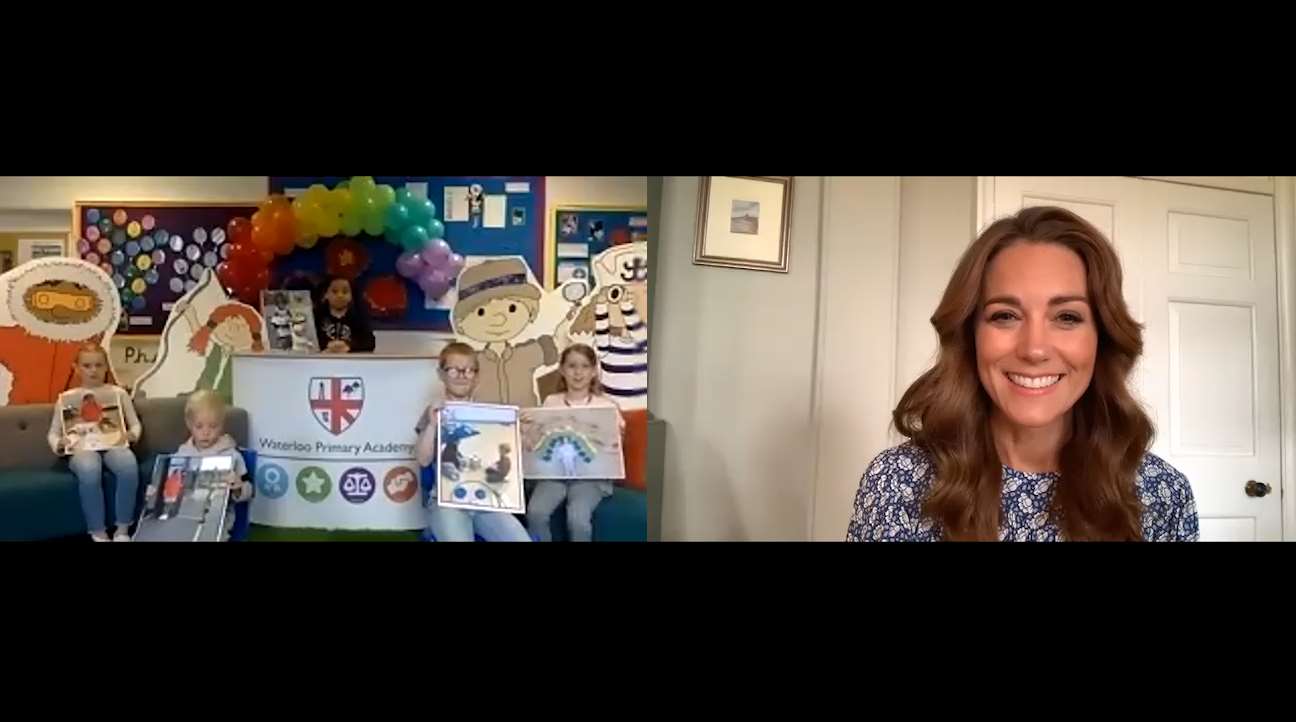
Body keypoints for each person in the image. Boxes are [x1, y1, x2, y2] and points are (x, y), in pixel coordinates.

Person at [846, 206, 1199, 542]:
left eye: (1067, 317)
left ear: (1102, 338)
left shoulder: (1160, 494)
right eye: (1005, 316)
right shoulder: (899, 483)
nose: (1034, 350)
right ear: (971, 334)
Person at [412, 342, 531, 542]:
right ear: (441, 374)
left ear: (476, 377)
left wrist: (520, 435)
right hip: (447, 501)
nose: (461, 375)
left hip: (487, 500)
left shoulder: (491, 415)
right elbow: (423, 460)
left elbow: (510, 465)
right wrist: (432, 426)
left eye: (468, 370)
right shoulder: (434, 411)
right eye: (453, 370)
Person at [525, 343, 625, 542]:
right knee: (536, 512)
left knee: (577, 518)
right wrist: (528, 429)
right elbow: (539, 441)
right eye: (572, 366)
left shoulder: (606, 406)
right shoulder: (551, 402)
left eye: (585, 366)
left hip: (592, 477)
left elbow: (613, 447)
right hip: (555, 474)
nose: (578, 373)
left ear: (594, 372)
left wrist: (618, 434)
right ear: (562, 370)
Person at [46, 343, 142, 542]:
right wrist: (60, 444)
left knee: (128, 464)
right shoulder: (66, 398)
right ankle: (97, 531)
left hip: (113, 444)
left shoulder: (118, 393)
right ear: (76, 368)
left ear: (107, 367)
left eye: (98, 365)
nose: (93, 370)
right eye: (87, 366)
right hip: (81, 448)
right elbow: (53, 434)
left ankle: (123, 529)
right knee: (90, 467)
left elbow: (135, 425)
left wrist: (132, 435)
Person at [144, 390, 252, 538]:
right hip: (181, 518)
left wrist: (239, 487)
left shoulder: (231, 455)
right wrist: (156, 492)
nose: (206, 432)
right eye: (199, 426)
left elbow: (249, 491)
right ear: (189, 425)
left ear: (221, 426)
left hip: (214, 523)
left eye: (213, 426)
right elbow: (169, 489)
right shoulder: (182, 453)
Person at [316, 276, 375, 354]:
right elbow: (306, 342)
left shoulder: (359, 317)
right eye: (334, 291)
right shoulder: (317, 316)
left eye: (345, 292)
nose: (340, 295)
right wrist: (326, 346)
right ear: (326, 294)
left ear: (351, 296)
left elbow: (369, 343)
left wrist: (348, 346)